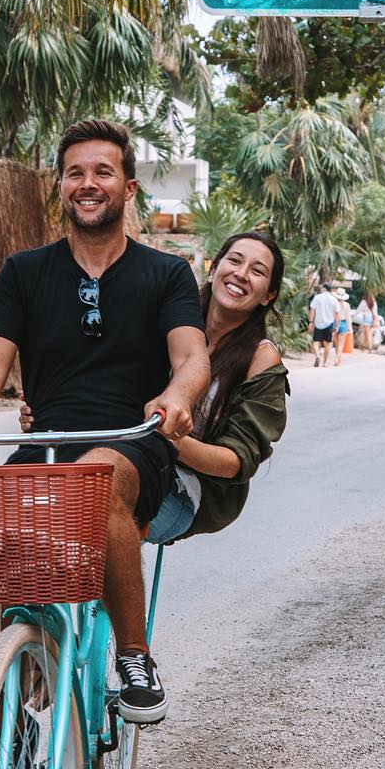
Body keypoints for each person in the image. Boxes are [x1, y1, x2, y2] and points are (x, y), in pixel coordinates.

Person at [0, 118, 209, 725]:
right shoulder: (24, 272)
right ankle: (9, 716)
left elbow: (192, 357)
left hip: (135, 444)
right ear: (61, 187)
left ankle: (135, 657)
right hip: (49, 441)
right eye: (75, 173)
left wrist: (177, 397)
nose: (88, 183)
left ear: (129, 188)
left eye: (103, 172)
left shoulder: (166, 274)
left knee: (100, 476)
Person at [142, 231, 289, 542]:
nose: (241, 273)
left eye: (257, 270)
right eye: (234, 261)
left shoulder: (260, 357)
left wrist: (169, 438)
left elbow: (237, 460)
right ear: (213, 269)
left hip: (186, 490)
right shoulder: (166, 320)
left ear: (268, 295)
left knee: (102, 515)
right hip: (130, 458)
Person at [308, 278, 339, 366]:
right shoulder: (334, 299)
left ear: (324, 289)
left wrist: (310, 322)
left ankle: (317, 355)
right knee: (327, 343)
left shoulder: (317, 297)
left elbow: (312, 310)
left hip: (318, 323)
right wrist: (336, 326)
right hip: (329, 324)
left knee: (315, 341)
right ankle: (325, 363)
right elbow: (337, 314)